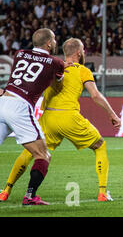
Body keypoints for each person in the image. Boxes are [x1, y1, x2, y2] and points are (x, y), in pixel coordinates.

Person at [0, 38, 121, 203]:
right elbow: (95, 95)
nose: (84, 53)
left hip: (48, 118)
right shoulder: (83, 70)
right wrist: (112, 114)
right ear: (79, 52)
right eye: (83, 50)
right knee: (100, 145)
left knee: (32, 152)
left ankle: (6, 190)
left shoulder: (52, 66)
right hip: (69, 117)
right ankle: (102, 193)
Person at [0, 29, 67, 206]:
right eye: (53, 39)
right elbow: (58, 86)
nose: (55, 42)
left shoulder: (20, 53)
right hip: (20, 106)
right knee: (43, 155)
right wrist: (64, 68)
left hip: (3, 100)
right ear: (49, 43)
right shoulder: (57, 63)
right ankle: (30, 196)